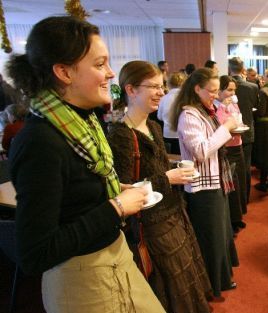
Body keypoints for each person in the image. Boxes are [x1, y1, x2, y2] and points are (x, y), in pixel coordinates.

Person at [6, 16, 164, 312]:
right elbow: (35, 253)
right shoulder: (40, 141)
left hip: (116, 260)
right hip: (83, 282)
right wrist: (115, 207)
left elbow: (76, 197)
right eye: (100, 64)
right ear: (64, 72)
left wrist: (114, 192)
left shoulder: (84, 122)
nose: (111, 73)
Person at [107, 60, 213, 312]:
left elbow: (156, 169)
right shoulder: (120, 134)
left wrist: (176, 172)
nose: (161, 92)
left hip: (174, 212)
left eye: (161, 86)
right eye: (153, 87)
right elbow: (124, 188)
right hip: (153, 224)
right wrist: (169, 178)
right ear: (131, 90)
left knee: (186, 277)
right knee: (169, 286)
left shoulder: (153, 125)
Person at [170, 68, 240, 297]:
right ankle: (211, 283)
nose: (214, 95)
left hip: (215, 180)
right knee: (210, 236)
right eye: (210, 91)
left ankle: (221, 278)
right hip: (202, 186)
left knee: (220, 232)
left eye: (215, 90)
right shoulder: (188, 115)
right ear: (196, 88)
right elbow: (200, 151)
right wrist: (226, 129)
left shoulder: (204, 110)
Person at [214, 75, 247, 232]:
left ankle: (237, 216)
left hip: (237, 144)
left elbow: (239, 120)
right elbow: (218, 126)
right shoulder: (216, 107)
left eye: (234, 89)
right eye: (229, 90)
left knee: (239, 181)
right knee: (230, 184)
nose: (233, 93)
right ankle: (231, 221)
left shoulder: (234, 104)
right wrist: (223, 107)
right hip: (226, 147)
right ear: (219, 91)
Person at [229, 57, 259, 203]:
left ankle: (233, 200)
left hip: (228, 132)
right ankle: (245, 198)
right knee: (246, 166)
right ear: (243, 69)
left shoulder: (224, 85)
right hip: (247, 130)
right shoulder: (252, 87)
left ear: (230, 69)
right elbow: (255, 105)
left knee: (230, 167)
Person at [157, 71, 186, 154]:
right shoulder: (185, 98)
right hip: (182, 134)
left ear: (169, 84)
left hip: (167, 134)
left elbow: (159, 117)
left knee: (171, 157)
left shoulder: (164, 98)